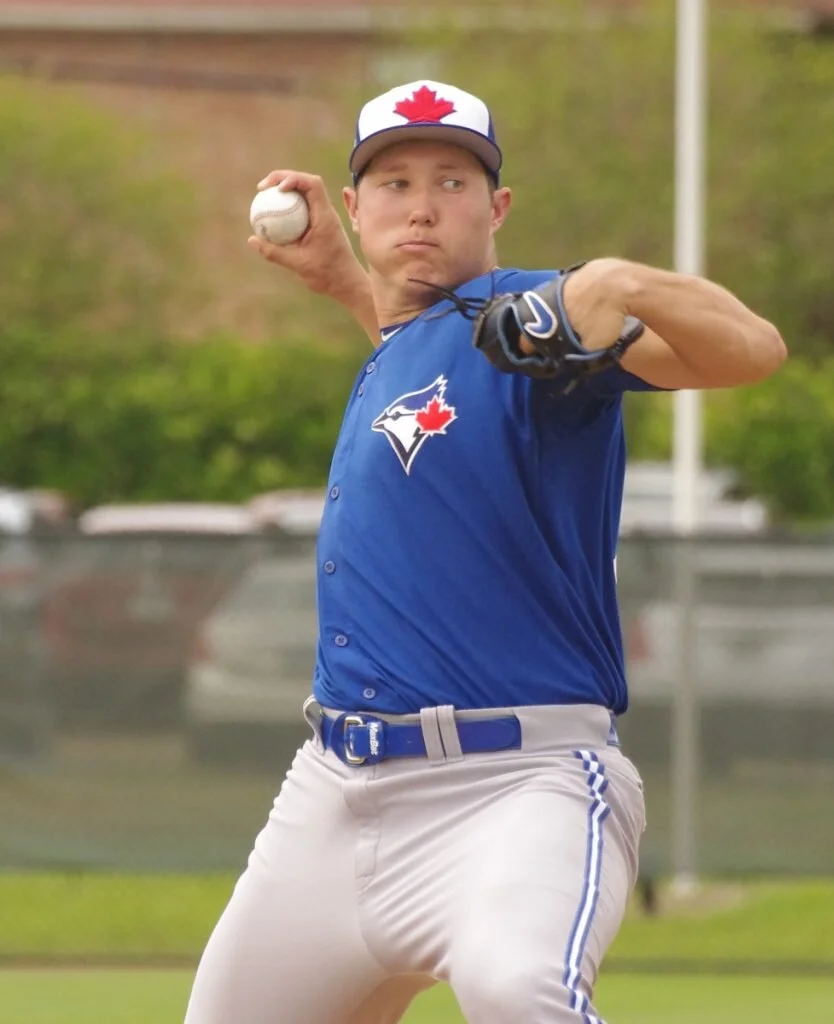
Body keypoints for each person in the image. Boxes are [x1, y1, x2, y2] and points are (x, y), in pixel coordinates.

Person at [184, 79, 785, 1024]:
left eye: (453, 181)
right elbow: (430, 359)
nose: (421, 204)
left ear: (497, 207)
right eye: (392, 182)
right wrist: (348, 284)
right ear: (353, 207)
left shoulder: (543, 325)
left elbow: (751, 350)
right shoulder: (407, 341)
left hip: (516, 786)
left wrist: (618, 285)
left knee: (518, 992)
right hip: (335, 797)